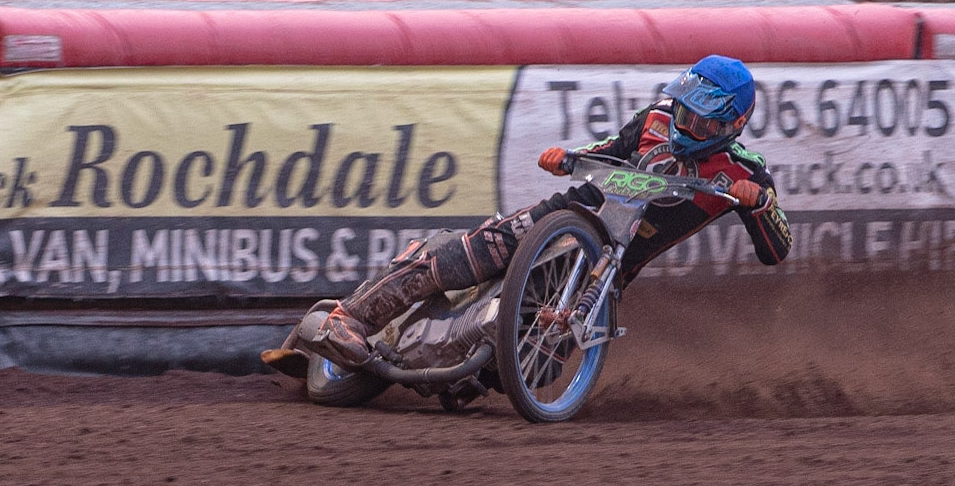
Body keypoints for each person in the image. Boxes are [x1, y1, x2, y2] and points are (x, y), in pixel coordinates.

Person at [319, 54, 793, 365]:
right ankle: (348, 318)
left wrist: (760, 204)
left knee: (548, 359)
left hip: (611, 267)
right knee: (472, 254)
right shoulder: (655, 117)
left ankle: (445, 371)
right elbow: (609, 148)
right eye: (683, 109)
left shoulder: (743, 171)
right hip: (570, 211)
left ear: (732, 122)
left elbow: (778, 249)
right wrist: (568, 157)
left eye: (698, 118)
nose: (683, 122)